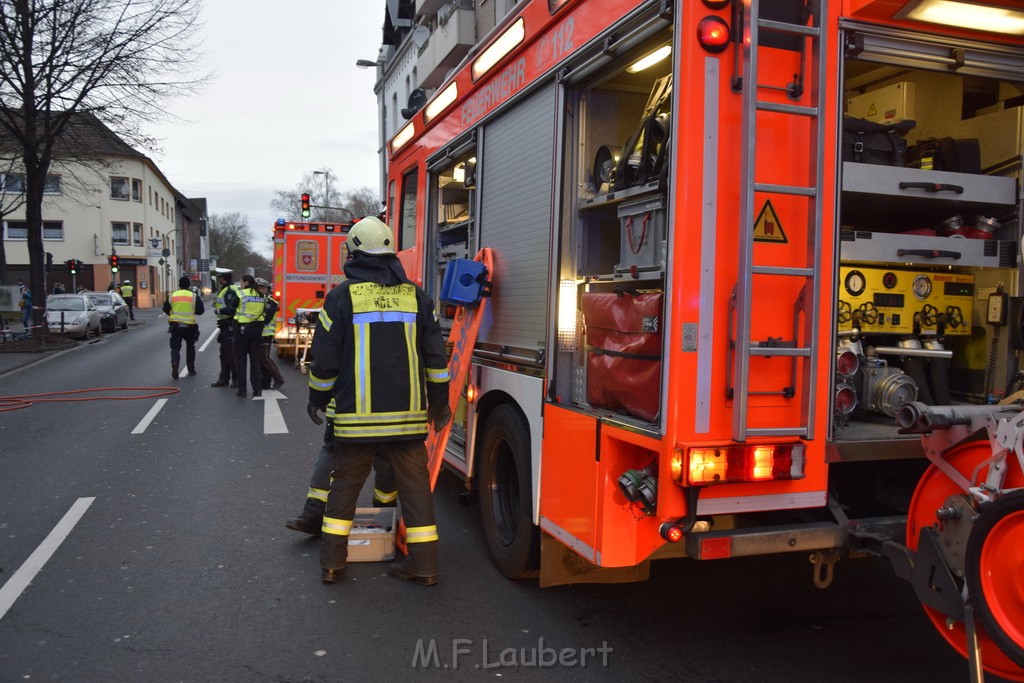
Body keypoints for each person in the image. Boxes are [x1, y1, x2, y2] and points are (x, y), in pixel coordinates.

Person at [307, 216, 451, 586]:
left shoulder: (341, 297)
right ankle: (425, 566)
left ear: (354, 251)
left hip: (357, 421)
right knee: (416, 492)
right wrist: (439, 403)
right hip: (408, 421)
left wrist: (317, 397)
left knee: (344, 491)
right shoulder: (417, 296)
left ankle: (332, 564)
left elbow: (325, 359)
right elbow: (436, 357)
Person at [286, 398, 397, 536]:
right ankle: (385, 515)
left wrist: (317, 397)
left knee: (333, 454)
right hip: (390, 412)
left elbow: (323, 377)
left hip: (347, 411)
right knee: (387, 462)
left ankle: (313, 514)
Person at [162, 276, 205, 379]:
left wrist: (173, 314)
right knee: (190, 347)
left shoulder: (172, 295)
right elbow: (200, 311)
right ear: (189, 286)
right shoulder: (193, 296)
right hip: (190, 326)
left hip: (176, 325)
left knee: (175, 348)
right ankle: (191, 369)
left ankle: (175, 363)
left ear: (179, 285)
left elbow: (165, 309)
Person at [232, 273, 266, 399]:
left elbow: (231, 308)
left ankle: (242, 391)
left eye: (241, 282)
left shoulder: (241, 294)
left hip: (242, 331)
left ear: (246, 282)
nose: (240, 284)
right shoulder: (261, 295)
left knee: (241, 361)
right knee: (255, 361)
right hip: (257, 330)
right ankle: (257, 390)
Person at [210, 268, 241, 388]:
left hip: (229, 325)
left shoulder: (230, 290)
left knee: (231, 354)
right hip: (224, 325)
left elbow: (230, 309)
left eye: (219, 277)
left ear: (223, 278)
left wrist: (218, 310)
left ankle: (236, 379)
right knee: (224, 353)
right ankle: (224, 378)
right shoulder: (225, 289)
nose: (218, 279)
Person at [254, 277, 285, 390]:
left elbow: (266, 319)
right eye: (257, 287)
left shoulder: (271, 303)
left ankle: (278, 378)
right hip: (257, 333)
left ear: (267, 289)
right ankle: (265, 382)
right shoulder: (254, 301)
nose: (260, 289)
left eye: (262, 287)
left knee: (264, 358)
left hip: (266, 334)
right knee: (260, 359)